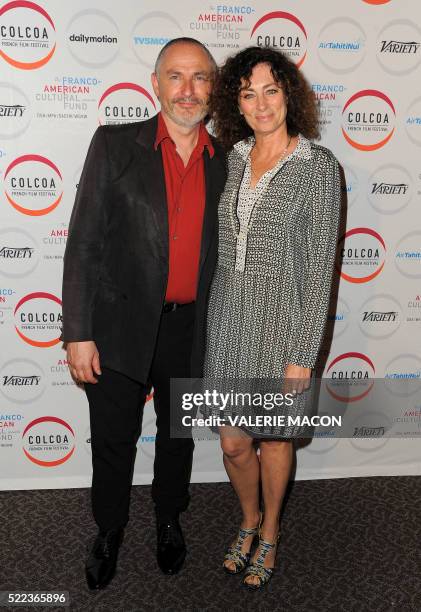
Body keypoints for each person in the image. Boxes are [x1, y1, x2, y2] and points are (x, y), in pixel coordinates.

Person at [61, 37, 226, 589]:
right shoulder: (113, 145)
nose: (187, 90)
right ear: (155, 84)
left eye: (200, 77)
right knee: (112, 437)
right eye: (176, 77)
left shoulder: (229, 160)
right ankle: (108, 530)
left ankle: (169, 521)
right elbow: (83, 243)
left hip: (188, 326)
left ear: (214, 87)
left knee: (176, 436)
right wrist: (78, 333)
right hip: (117, 324)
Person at [204, 46, 341, 589]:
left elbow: (319, 270)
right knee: (235, 442)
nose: (261, 104)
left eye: (271, 90)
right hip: (227, 321)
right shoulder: (231, 158)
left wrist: (302, 357)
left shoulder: (318, 168)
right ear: (235, 102)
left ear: (290, 94)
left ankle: (272, 531)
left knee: (275, 439)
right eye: (247, 93)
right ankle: (248, 518)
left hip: (282, 328)